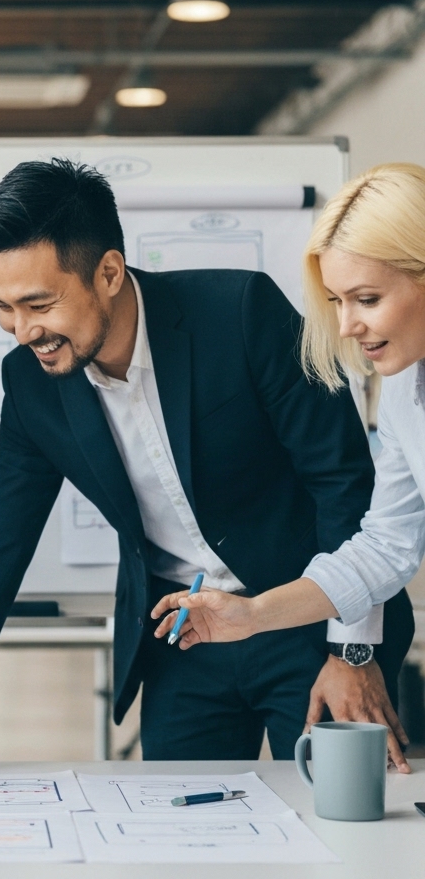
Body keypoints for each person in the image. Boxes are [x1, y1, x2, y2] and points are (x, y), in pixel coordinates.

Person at [0, 157, 413, 770]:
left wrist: (352, 651)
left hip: (306, 620)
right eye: (5, 307)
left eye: (39, 304)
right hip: (181, 636)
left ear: (109, 273)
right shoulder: (32, 382)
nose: (22, 330)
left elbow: (343, 484)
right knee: (182, 821)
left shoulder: (240, 313)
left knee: (329, 813)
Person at [152, 162, 425, 771]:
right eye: (337, 301)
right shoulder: (405, 389)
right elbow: (384, 547)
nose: (347, 326)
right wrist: (253, 615)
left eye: (368, 299)